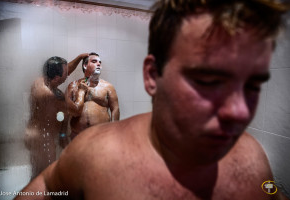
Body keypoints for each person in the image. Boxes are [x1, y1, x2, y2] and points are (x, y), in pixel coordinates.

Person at [17, 0, 289, 199]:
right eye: (207, 81)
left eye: (252, 85)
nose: (241, 113)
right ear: (152, 75)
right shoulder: (95, 156)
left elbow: (270, 192)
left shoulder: (253, 161)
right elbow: (47, 187)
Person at [24, 53, 89, 179]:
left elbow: (66, 69)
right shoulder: (49, 95)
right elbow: (75, 110)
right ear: (57, 78)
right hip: (42, 140)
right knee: (44, 175)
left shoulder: (40, 82)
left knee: (39, 171)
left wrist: (81, 57)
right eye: (66, 74)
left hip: (34, 133)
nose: (67, 75)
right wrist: (81, 92)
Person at [65, 52, 120, 139]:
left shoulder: (108, 87)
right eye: (94, 61)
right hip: (78, 136)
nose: (98, 64)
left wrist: (114, 131)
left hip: (101, 135)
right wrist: (63, 134)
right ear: (85, 66)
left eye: (99, 62)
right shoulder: (73, 85)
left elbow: (115, 109)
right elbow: (67, 111)